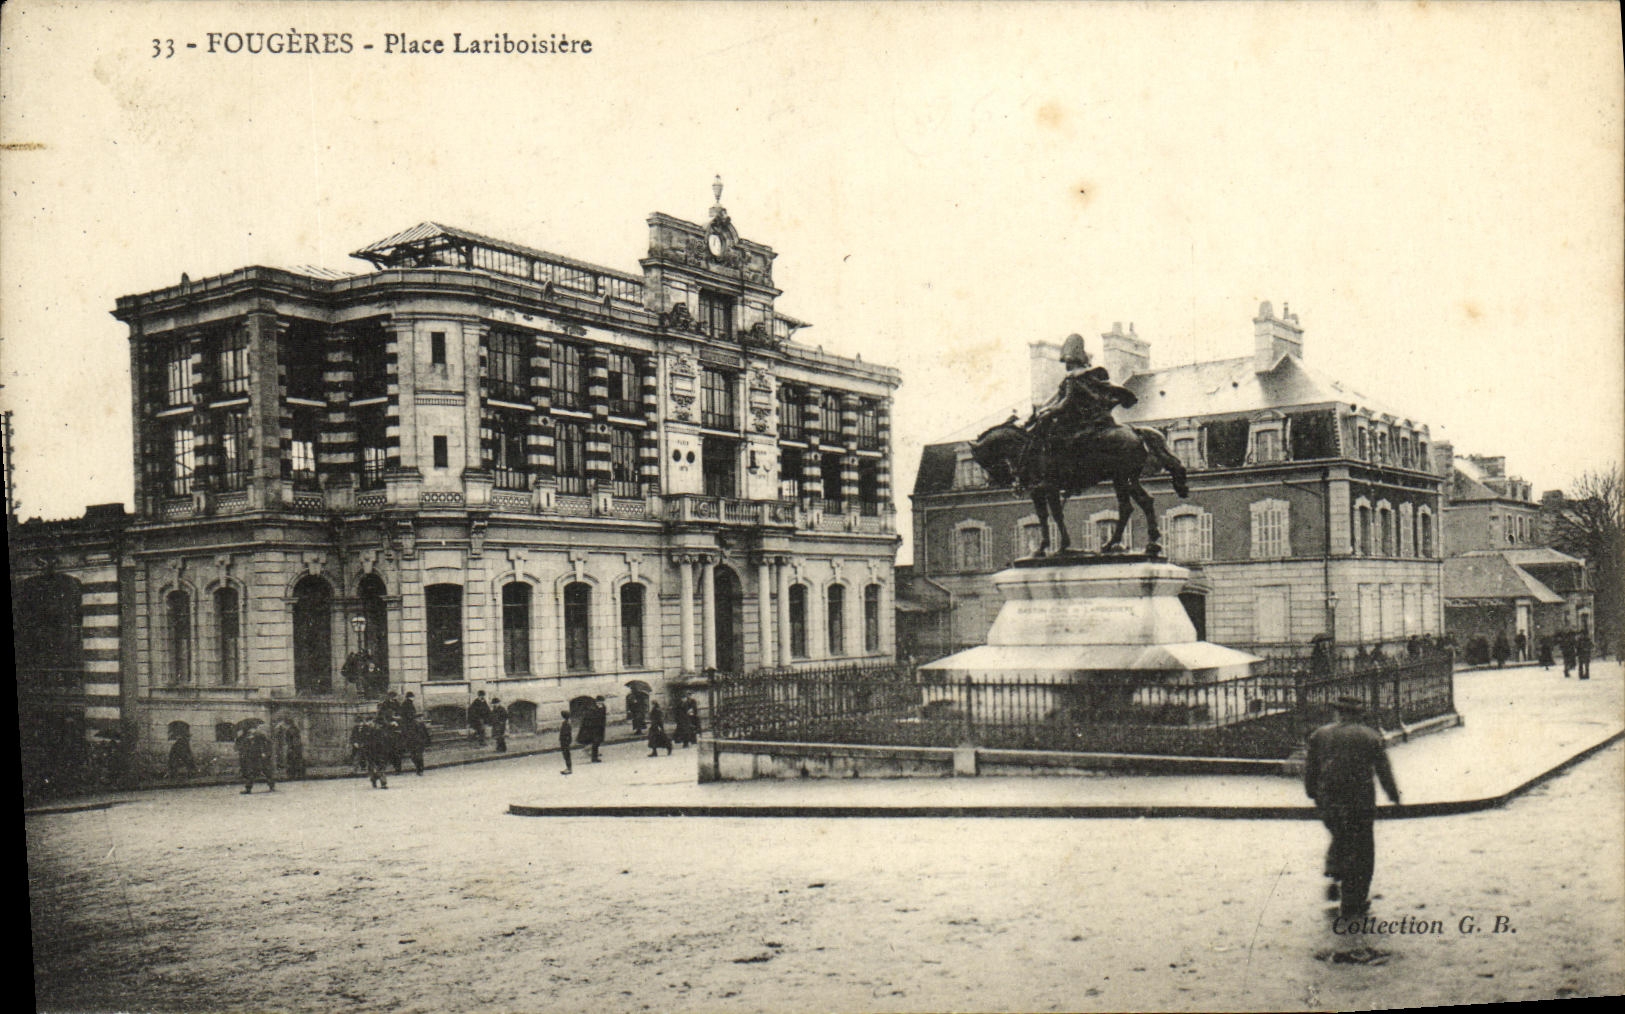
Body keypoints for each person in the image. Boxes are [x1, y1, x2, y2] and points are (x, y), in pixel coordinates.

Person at [1305, 697, 1401, 918]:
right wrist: (1394, 796)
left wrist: (1313, 793)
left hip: (1329, 800)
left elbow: (1311, 770)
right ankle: (1354, 899)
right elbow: (1383, 771)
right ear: (1359, 714)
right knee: (1362, 849)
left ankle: (1336, 873)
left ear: (1338, 713)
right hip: (1360, 801)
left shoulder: (1319, 735)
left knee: (1340, 835)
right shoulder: (1370, 737)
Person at [1024, 334, 1137, 484]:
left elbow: (1065, 402)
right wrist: (1044, 409)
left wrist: (1048, 412)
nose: (1066, 366)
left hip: (1084, 422)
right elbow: (1055, 399)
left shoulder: (1073, 379)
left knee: (1058, 441)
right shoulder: (1088, 376)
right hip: (1100, 419)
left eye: (1067, 363)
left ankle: (1068, 477)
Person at [237, 723, 276, 794]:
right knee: (262, 772)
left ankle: (249, 788)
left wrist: (263, 752)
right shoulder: (252, 737)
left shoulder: (259, 736)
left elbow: (264, 745)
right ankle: (271, 786)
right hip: (256, 757)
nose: (250, 731)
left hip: (260, 757)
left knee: (260, 772)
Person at [360, 718, 390, 789]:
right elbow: (363, 741)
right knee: (372, 767)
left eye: (371, 722)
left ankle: (383, 783)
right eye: (368, 722)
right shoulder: (364, 731)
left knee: (381, 767)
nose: (370, 723)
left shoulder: (378, 730)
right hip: (369, 752)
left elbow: (383, 741)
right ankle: (373, 780)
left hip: (379, 751)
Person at [586, 696, 608, 763]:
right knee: (595, 743)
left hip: (600, 727)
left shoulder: (603, 707)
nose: (601, 703)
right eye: (599, 701)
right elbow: (590, 718)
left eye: (602, 701)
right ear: (597, 701)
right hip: (594, 728)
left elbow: (603, 716)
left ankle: (595, 756)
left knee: (598, 742)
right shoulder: (593, 708)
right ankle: (594, 758)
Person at [558, 711, 574, 775]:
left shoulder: (565, 724)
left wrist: (564, 740)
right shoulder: (567, 723)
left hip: (564, 742)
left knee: (566, 755)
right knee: (566, 755)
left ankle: (569, 769)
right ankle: (568, 768)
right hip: (566, 741)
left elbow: (565, 733)